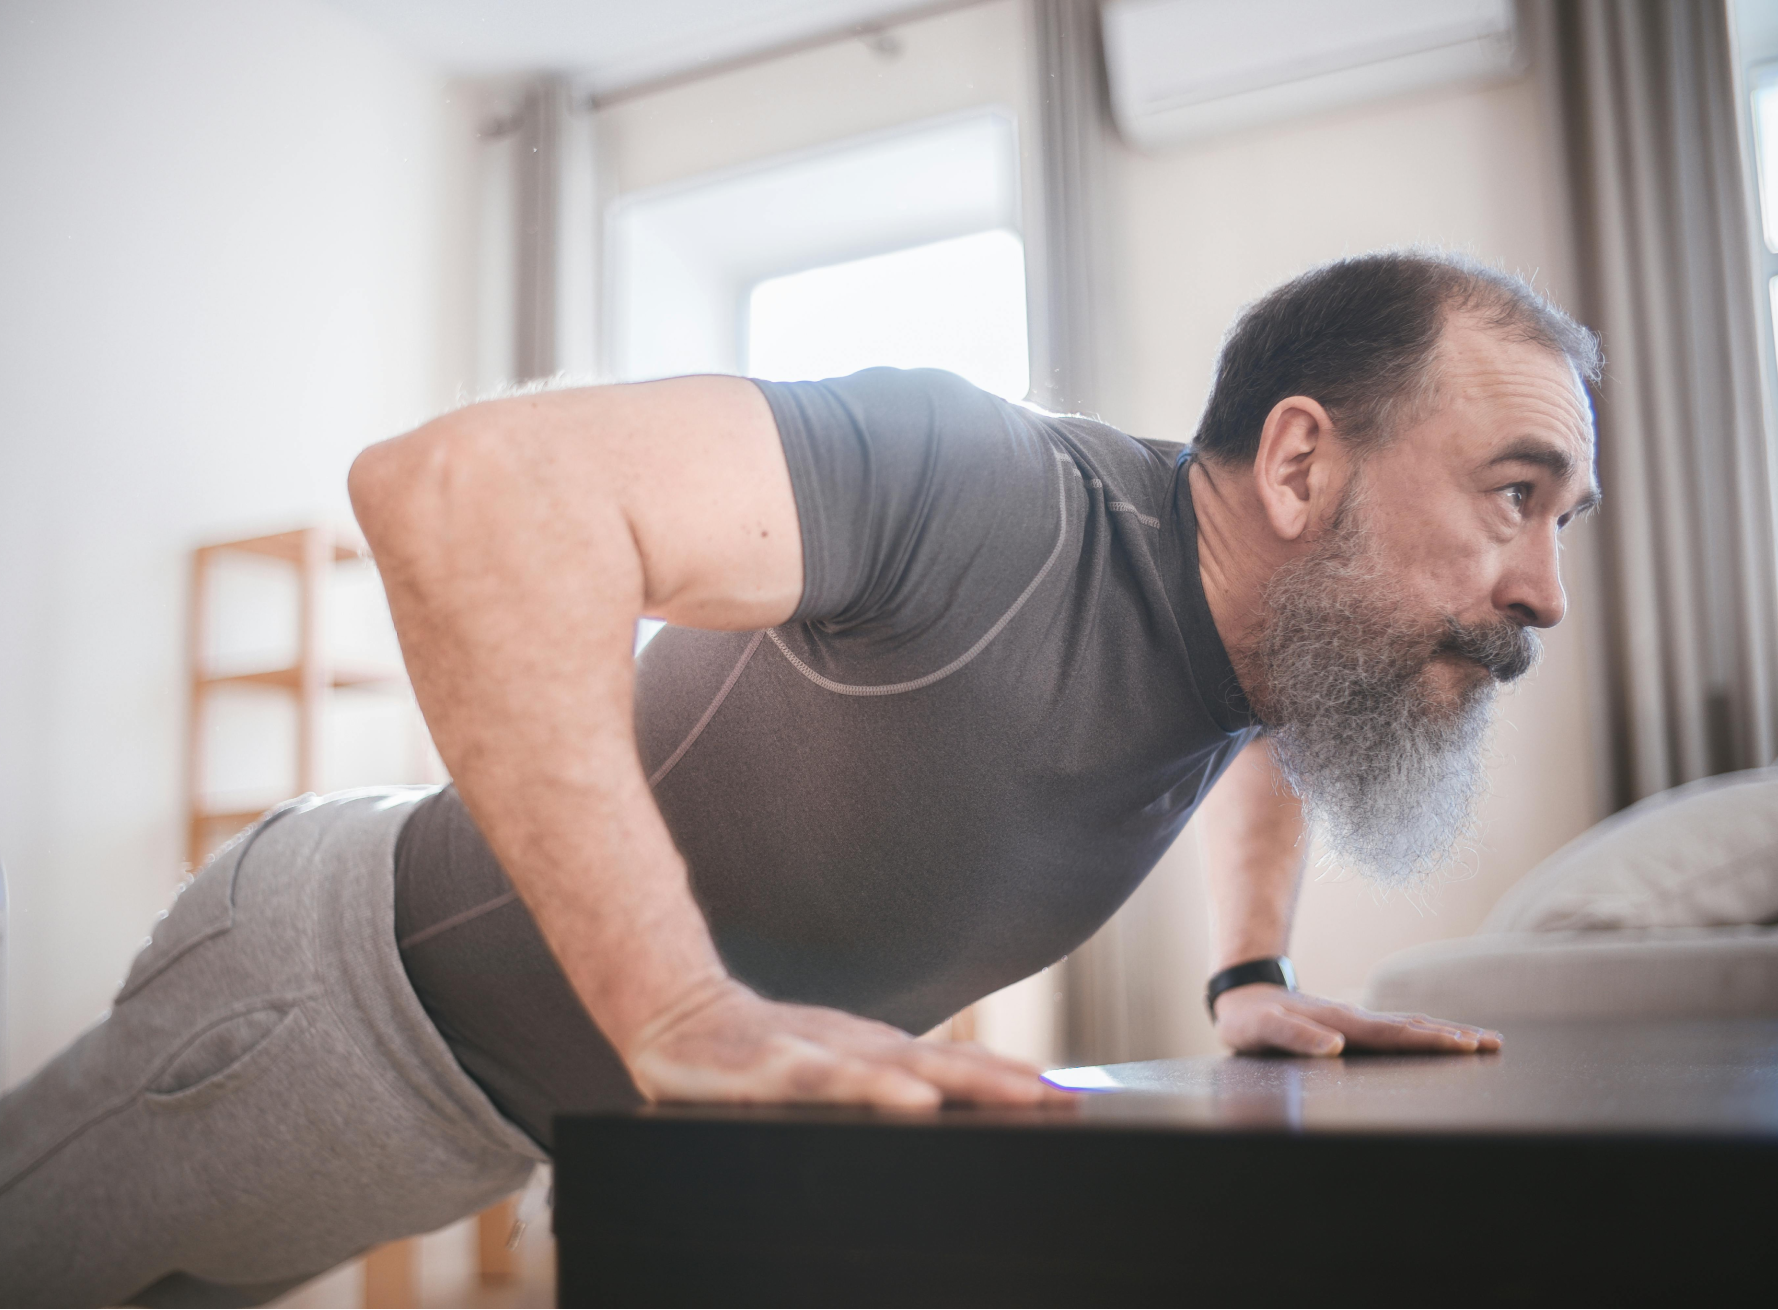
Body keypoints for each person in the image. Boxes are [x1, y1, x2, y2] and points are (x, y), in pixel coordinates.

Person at [0, 250, 1601, 1307]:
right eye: (1509, 493)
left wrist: (1250, 971)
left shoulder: (1259, 624)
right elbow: (463, 485)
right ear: (1302, 461)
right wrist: (675, 1004)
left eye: (1559, 523)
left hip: (508, 1108)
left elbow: (1276, 719)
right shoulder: (988, 491)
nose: (1541, 586)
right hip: (330, 1007)